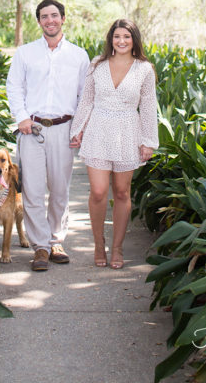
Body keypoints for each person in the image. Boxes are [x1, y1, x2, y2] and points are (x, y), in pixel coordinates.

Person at [6, 0, 90, 271]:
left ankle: (56, 241)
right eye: (45, 16)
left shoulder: (78, 55)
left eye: (55, 15)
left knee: (59, 189)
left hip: (64, 130)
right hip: (32, 129)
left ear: (63, 19)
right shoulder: (25, 53)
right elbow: (14, 87)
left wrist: (78, 129)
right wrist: (21, 119)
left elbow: (84, 96)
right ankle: (40, 247)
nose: (50, 20)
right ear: (39, 21)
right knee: (32, 191)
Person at [70, 18, 158, 269]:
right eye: (117, 36)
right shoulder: (97, 64)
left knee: (121, 192)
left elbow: (149, 107)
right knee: (98, 191)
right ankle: (99, 244)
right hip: (98, 129)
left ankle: (117, 248)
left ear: (134, 40)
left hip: (129, 131)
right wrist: (78, 129)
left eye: (126, 37)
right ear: (111, 39)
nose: (121, 41)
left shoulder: (144, 69)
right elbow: (86, 99)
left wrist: (148, 141)